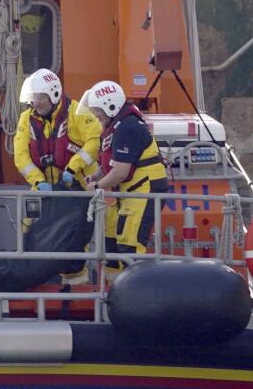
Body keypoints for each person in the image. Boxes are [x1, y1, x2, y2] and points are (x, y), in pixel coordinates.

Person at [78, 80, 168, 257]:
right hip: (130, 193)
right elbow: (111, 163)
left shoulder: (128, 128)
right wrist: (96, 176)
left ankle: (137, 284)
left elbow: (120, 172)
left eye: (97, 111)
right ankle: (115, 282)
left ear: (110, 106)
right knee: (111, 242)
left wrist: (97, 186)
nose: (96, 116)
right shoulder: (117, 127)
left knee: (131, 248)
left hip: (144, 191)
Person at [13, 68, 101, 192]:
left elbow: (95, 142)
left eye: (40, 98)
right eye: (33, 97)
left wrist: (72, 168)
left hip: (81, 187)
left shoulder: (79, 112)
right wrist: (38, 181)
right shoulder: (26, 118)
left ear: (54, 95)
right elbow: (20, 156)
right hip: (44, 190)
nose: (35, 103)